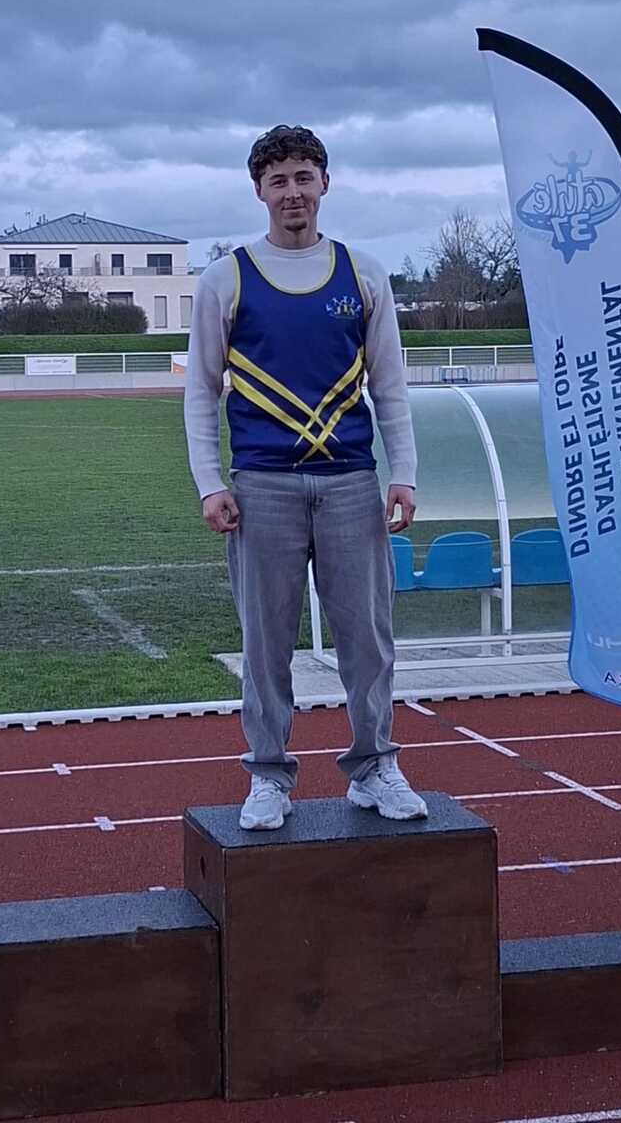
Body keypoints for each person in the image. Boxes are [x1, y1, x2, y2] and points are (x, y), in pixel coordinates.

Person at [184, 124, 427, 829]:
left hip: (351, 481)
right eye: (278, 180)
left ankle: (374, 768)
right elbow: (201, 390)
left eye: (303, 177)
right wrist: (210, 482)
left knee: (368, 641)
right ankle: (268, 775)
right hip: (262, 486)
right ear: (259, 191)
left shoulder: (364, 274)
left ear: (325, 182)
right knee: (265, 646)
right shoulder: (226, 278)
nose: (292, 191)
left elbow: (390, 387)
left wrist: (404, 474)